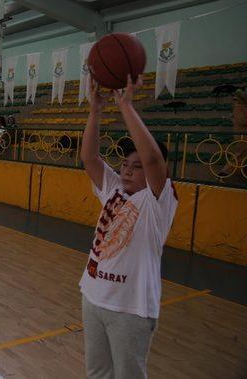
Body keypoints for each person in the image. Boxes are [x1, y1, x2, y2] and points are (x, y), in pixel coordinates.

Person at [79, 75, 178, 379]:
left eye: (136, 167)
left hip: (130, 309)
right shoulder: (113, 189)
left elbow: (152, 159)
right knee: (97, 373)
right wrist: (95, 111)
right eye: (125, 163)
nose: (127, 169)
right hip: (93, 296)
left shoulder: (157, 201)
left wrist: (125, 105)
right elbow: (90, 157)